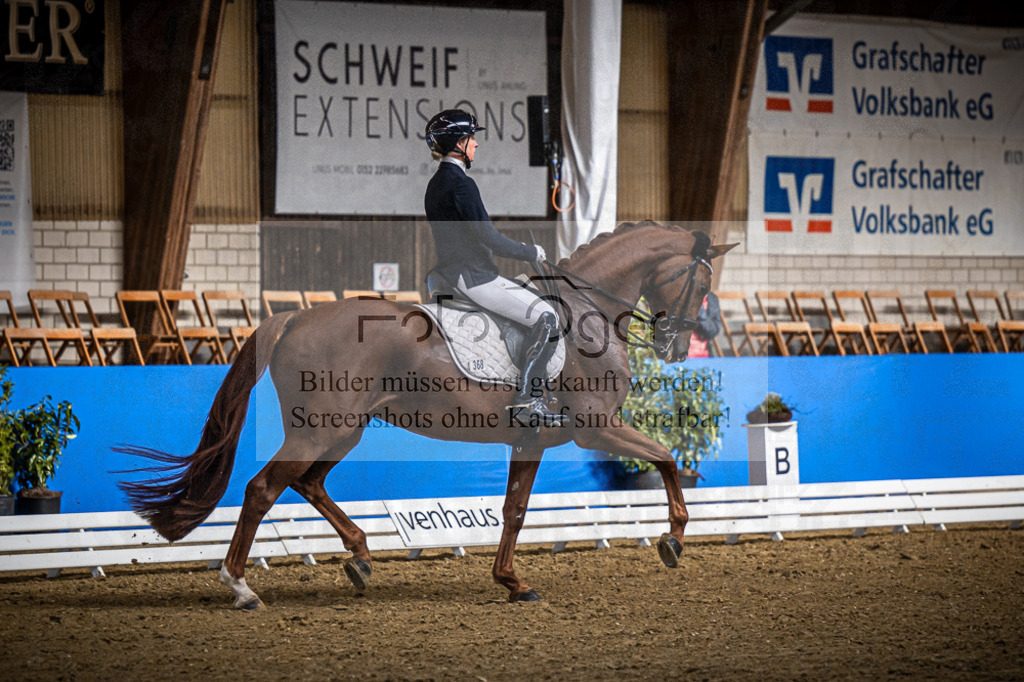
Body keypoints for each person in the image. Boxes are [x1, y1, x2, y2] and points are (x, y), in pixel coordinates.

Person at [423, 109, 565, 425]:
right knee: (547, 315)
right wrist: (531, 251)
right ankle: (529, 400)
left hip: (449, 274)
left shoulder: (436, 183)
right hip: (473, 277)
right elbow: (489, 237)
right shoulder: (462, 184)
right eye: (472, 138)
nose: (476, 145)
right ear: (459, 143)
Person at [687, 291, 722, 358]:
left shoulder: (712, 298)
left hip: (703, 353)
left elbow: (713, 331)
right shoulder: (682, 295)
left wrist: (700, 311)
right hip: (682, 354)